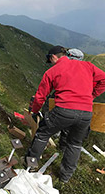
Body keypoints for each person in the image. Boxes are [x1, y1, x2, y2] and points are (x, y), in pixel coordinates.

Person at [26, 45, 105, 183]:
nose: (51, 63)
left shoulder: (52, 71)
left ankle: (31, 165)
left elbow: (40, 96)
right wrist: (91, 95)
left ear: (53, 57)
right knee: (74, 144)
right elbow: (104, 80)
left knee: (43, 134)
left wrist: (35, 110)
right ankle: (65, 177)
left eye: (50, 60)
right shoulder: (88, 66)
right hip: (86, 113)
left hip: (64, 110)